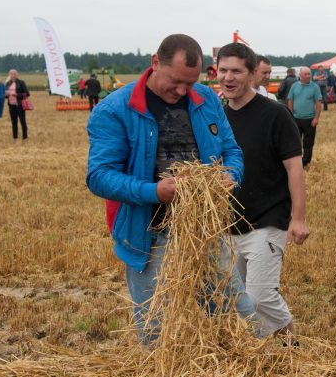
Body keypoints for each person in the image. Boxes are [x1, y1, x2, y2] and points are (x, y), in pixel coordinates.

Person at [85, 34, 254, 341]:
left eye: (189, 83)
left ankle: (246, 366)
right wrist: (154, 191)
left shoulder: (205, 99)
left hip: (204, 228)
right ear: (154, 64)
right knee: (156, 324)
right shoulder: (115, 110)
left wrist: (231, 175)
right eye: (176, 81)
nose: (182, 91)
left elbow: (232, 150)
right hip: (148, 234)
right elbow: (99, 176)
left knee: (234, 310)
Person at [217, 42, 309, 338]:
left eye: (236, 71)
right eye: (223, 70)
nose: (228, 78)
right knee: (238, 299)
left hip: (269, 218)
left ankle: (290, 343)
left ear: (253, 73)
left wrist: (298, 218)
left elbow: (295, 168)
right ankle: (261, 350)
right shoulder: (217, 118)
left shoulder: (275, 114)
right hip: (228, 222)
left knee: (260, 295)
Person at [287, 66, 323, 168]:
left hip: (310, 119)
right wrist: (290, 116)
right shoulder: (294, 86)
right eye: (306, 74)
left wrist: (316, 118)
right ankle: (296, 161)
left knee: (308, 143)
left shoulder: (315, 87)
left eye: (309, 74)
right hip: (296, 119)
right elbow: (290, 101)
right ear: (300, 76)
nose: (308, 76)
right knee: (295, 141)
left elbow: (318, 103)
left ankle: (305, 162)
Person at [5, 69, 30, 140]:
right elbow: (6, 95)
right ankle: (15, 138)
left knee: (22, 121)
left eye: (14, 74)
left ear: (17, 75)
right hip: (11, 105)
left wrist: (17, 95)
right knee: (14, 122)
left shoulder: (21, 82)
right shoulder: (7, 83)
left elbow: (27, 93)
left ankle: (25, 137)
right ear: (9, 75)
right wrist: (5, 95)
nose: (13, 76)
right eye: (11, 74)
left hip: (20, 105)